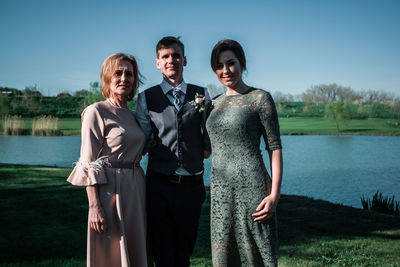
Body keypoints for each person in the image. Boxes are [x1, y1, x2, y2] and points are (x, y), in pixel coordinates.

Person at [206, 39, 283, 266]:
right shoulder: (212, 104)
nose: (225, 70)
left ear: (242, 63)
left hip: (253, 188)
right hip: (220, 192)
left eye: (231, 63)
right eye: (219, 66)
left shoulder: (260, 98)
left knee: (257, 255)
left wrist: (275, 195)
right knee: (223, 257)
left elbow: (274, 147)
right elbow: (204, 149)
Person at [136, 36, 211, 267]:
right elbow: (144, 140)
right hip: (159, 184)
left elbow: (209, 138)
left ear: (184, 60)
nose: (171, 60)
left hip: (191, 185)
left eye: (176, 56)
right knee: (162, 250)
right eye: (165, 57)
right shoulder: (146, 98)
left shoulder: (202, 94)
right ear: (157, 63)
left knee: (184, 250)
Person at [67, 53, 147, 267]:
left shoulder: (133, 115)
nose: (124, 78)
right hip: (110, 191)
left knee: (136, 248)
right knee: (111, 252)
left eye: (129, 74)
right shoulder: (96, 111)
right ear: (107, 78)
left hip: (136, 188)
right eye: (117, 73)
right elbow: (88, 162)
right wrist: (94, 206)